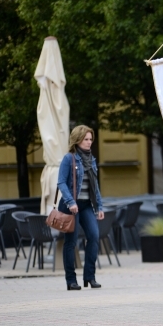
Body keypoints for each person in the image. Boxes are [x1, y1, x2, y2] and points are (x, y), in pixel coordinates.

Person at [57, 125, 104, 291]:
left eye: (91, 139)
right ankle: (71, 280)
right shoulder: (69, 159)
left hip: (86, 205)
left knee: (94, 236)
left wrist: (99, 206)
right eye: (86, 139)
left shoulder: (91, 159)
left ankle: (90, 277)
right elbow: (61, 182)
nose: (89, 142)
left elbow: (95, 185)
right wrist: (70, 202)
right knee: (71, 242)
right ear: (77, 140)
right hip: (71, 206)